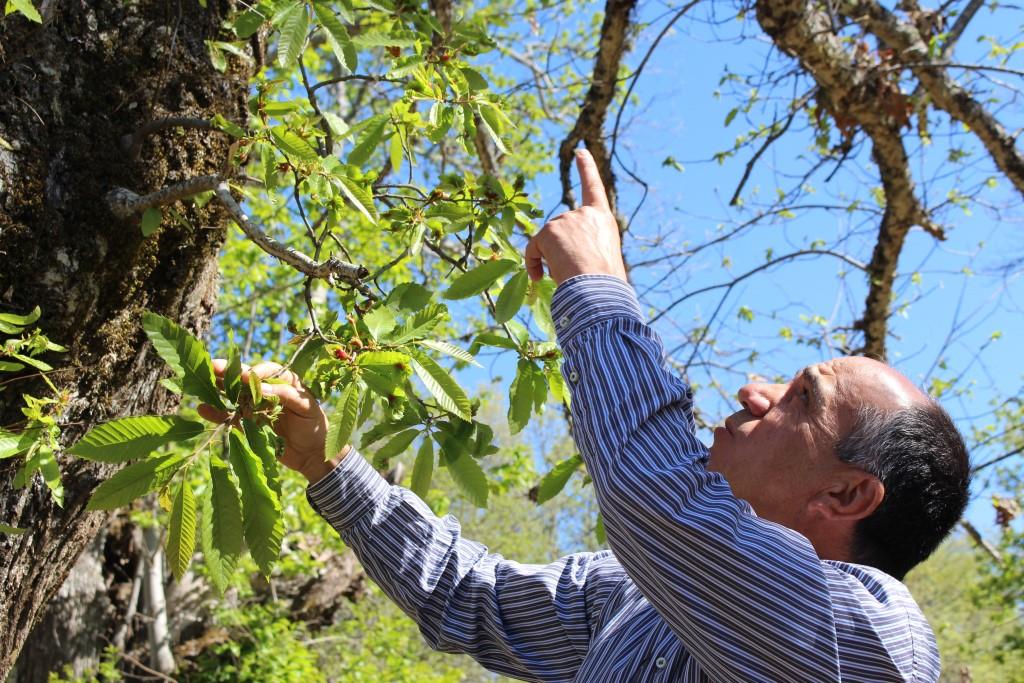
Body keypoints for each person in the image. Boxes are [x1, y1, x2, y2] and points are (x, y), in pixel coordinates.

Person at [203, 149, 970, 682]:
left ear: (844, 495)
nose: (754, 390)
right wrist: (326, 462)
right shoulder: (640, 594)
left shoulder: (871, 644)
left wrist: (598, 286)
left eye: (803, 398)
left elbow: (657, 498)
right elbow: (471, 597)